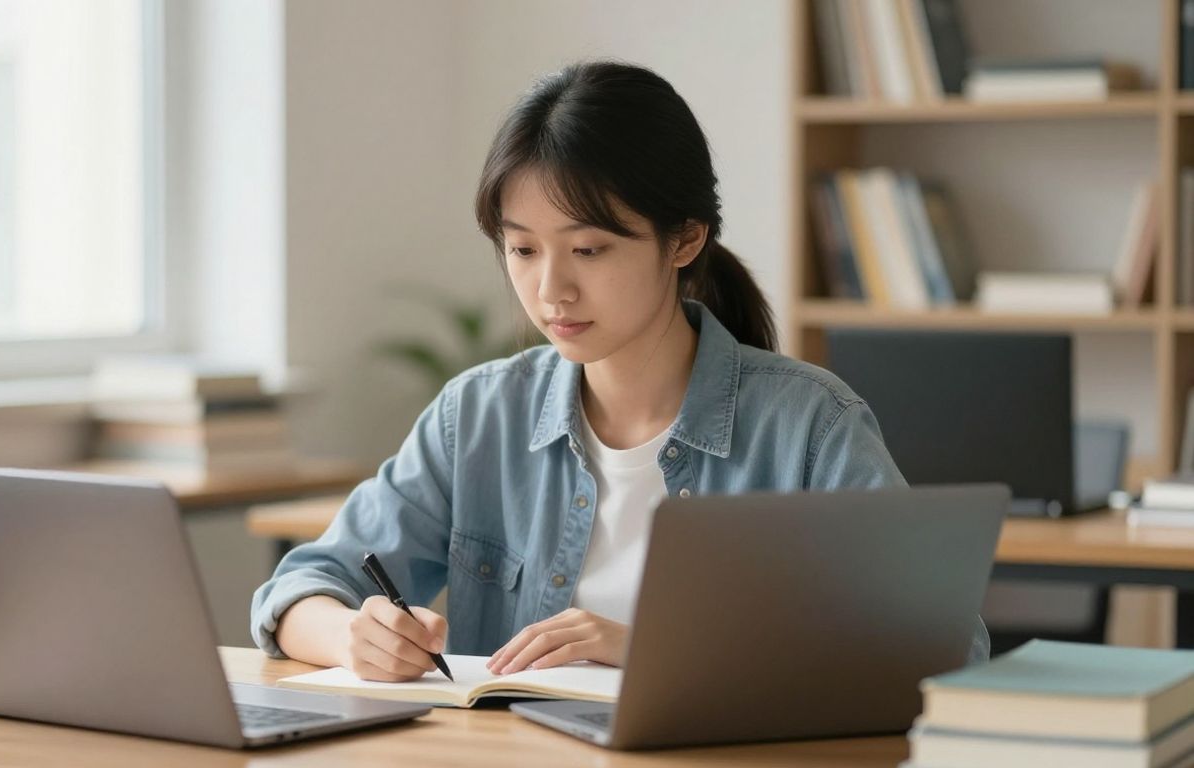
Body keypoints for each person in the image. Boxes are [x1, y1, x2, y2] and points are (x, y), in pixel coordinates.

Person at [251, 60, 989, 682]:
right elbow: (300, 589)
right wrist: (354, 636)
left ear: (684, 239)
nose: (551, 291)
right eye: (523, 249)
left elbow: (941, 647)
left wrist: (655, 658)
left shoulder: (809, 426)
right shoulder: (476, 416)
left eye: (590, 249)